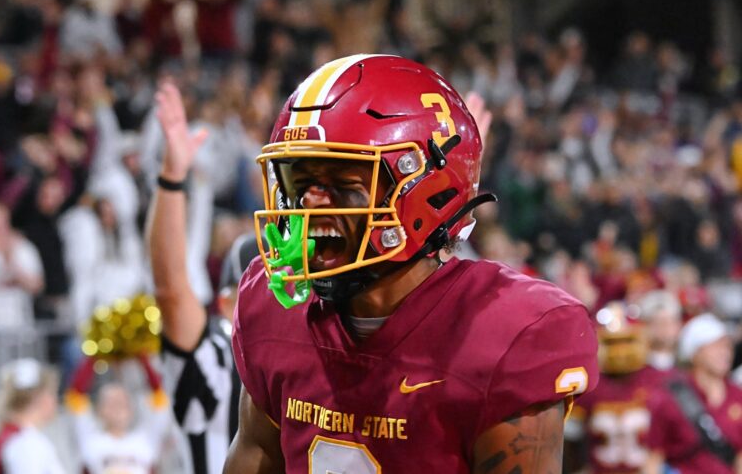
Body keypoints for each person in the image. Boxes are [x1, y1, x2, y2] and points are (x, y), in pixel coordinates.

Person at [155, 54, 599, 473]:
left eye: (342, 183)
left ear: (427, 190)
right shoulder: (275, 311)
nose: (310, 205)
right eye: (301, 182)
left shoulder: (508, 333)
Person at [148, 106, 255, 473]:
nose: (280, 299)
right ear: (226, 304)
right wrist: (172, 179)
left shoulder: (305, 353)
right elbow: (171, 289)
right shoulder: (217, 356)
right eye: (260, 288)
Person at [566, 302, 669, 474]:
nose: (620, 352)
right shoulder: (588, 384)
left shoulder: (658, 380)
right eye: (613, 343)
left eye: (626, 341)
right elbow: (570, 441)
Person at [644, 313, 742, 473]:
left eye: (726, 345)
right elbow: (653, 459)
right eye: (715, 346)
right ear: (695, 353)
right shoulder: (670, 398)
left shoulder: (738, 395)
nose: (724, 352)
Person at [65, 355, 171, 474]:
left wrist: (142, 357)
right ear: (99, 410)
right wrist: (95, 354)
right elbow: (75, 398)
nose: (118, 407)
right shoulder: (90, 440)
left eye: (122, 402)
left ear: (131, 409)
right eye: (111, 403)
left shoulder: (145, 439)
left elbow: (160, 398)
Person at [0, 358, 64, 474]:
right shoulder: (26, 444)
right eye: (52, 393)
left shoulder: (19, 437)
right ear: (38, 397)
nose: (55, 401)